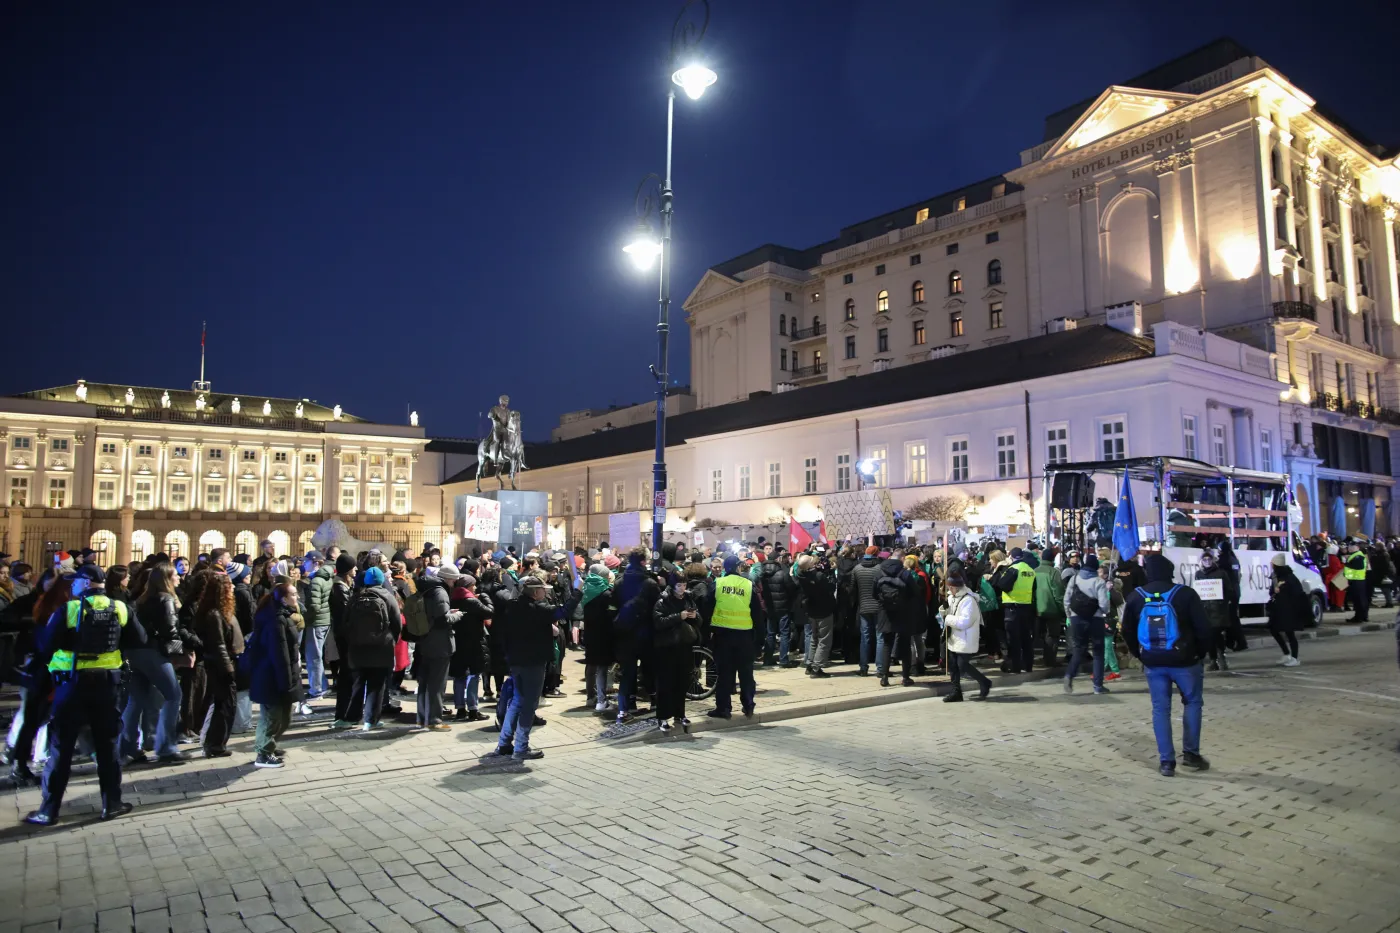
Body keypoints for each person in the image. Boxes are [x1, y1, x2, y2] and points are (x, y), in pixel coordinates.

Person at [24, 564, 145, 825]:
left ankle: (49, 810)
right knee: (107, 746)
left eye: (75, 582)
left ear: (84, 583)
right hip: (107, 686)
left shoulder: (70, 610)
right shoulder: (120, 608)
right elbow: (139, 639)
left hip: (73, 685)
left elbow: (46, 645)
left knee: (61, 748)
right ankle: (111, 804)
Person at [1122, 553, 1212, 777]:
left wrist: (1141, 654)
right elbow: (1204, 628)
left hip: (1153, 661)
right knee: (1192, 703)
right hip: (1185, 660)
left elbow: (1126, 631)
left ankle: (1166, 762)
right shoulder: (1185, 594)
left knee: (1160, 709)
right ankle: (1191, 754)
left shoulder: (1136, 596)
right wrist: (1199, 654)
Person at [121, 561, 191, 764]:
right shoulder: (166, 599)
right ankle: (166, 747)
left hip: (133, 653)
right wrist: (179, 654)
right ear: (167, 579)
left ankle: (127, 748)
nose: (178, 577)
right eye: (174, 575)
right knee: (173, 695)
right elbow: (171, 630)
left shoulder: (141, 599)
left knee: (135, 701)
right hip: (154, 653)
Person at [492, 576, 558, 760]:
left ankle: (504, 743)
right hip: (533, 661)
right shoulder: (537, 608)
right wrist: (578, 591)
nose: (546, 592)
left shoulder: (512, 606)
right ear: (536, 592)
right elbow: (563, 612)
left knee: (517, 701)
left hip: (516, 660)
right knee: (529, 703)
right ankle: (521, 747)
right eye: (543, 589)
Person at [247, 582, 303, 768]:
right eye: (294, 594)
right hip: (272, 675)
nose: (298, 597)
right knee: (272, 717)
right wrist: (286, 682)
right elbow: (279, 654)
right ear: (284, 598)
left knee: (284, 717)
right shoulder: (276, 620)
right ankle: (263, 753)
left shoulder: (283, 616)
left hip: (281, 674)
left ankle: (267, 746)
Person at [704, 554, 763, 719]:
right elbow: (758, 615)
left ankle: (723, 708)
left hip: (723, 636)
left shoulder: (718, 584)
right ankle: (748, 705)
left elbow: (707, 608)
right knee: (746, 674)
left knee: (724, 674)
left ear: (724, 569)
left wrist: (706, 632)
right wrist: (760, 640)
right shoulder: (749, 585)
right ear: (737, 567)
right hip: (745, 636)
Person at [344, 566, 402, 732]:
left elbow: (345, 622)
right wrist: (391, 640)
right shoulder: (388, 597)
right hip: (381, 647)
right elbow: (397, 624)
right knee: (377, 685)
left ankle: (353, 717)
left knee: (358, 683)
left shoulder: (356, 597)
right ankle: (371, 720)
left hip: (357, 648)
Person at [195, 572, 242, 758]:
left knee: (226, 704)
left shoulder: (219, 612)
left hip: (223, 662)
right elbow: (219, 645)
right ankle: (215, 744)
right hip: (220, 665)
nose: (232, 588)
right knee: (225, 704)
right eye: (229, 585)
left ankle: (216, 743)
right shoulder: (214, 614)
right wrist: (228, 669)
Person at [610, 548, 659, 724]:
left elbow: (613, 605)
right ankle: (654, 701)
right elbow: (657, 609)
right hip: (645, 632)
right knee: (650, 668)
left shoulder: (619, 581)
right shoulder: (650, 583)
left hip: (624, 633)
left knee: (627, 671)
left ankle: (626, 706)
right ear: (643, 562)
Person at [412, 562, 461, 731]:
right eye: (453, 580)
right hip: (439, 642)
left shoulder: (427, 588)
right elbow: (443, 620)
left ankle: (421, 717)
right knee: (437, 683)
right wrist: (457, 615)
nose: (454, 584)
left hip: (425, 639)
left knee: (424, 682)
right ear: (447, 579)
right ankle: (434, 720)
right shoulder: (440, 592)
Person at [651, 575, 699, 732]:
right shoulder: (663, 600)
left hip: (684, 646)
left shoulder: (689, 599)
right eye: (679, 585)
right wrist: (679, 616)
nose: (682, 589)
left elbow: (699, 621)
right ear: (672, 586)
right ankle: (663, 717)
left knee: (682, 681)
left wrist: (695, 616)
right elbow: (658, 622)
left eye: (684, 585)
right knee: (666, 684)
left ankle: (680, 714)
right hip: (667, 647)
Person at [1062, 554, 1111, 695]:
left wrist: (1070, 615)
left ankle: (1069, 675)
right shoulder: (1099, 581)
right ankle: (1098, 686)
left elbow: (1067, 599)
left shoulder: (1074, 578)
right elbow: (1104, 606)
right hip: (1095, 620)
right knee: (1098, 652)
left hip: (1076, 618)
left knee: (1078, 649)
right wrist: (1102, 612)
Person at [941, 568, 991, 702]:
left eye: (950, 587)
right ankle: (956, 692)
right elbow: (947, 613)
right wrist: (943, 610)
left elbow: (965, 621)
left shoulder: (969, 600)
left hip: (965, 638)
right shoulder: (953, 597)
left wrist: (948, 619)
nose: (949, 590)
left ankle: (984, 681)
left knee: (963, 665)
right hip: (954, 637)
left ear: (956, 587)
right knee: (953, 665)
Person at [449, 573, 492, 721]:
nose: (475, 587)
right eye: (473, 585)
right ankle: (473, 709)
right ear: (469, 586)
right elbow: (489, 612)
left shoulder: (452, 599)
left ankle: (460, 709)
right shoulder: (472, 601)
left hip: (458, 641)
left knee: (459, 676)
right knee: (474, 675)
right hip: (474, 642)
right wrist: (485, 598)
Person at [991, 547, 1038, 674]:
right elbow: (1034, 588)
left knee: (1014, 640)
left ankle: (1016, 667)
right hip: (1026, 608)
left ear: (1011, 557)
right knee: (1026, 639)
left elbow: (1002, 585)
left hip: (1013, 608)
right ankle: (1028, 666)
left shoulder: (1013, 569)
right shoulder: (1030, 570)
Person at [327, 553, 360, 728]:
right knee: (347, 677)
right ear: (348, 570)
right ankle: (343, 716)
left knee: (349, 676)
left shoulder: (344, 585)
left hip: (345, 636)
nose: (356, 569)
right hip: (345, 638)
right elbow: (347, 614)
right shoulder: (339, 588)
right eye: (353, 567)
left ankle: (346, 714)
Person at [582, 563, 616, 711]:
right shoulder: (606, 594)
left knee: (591, 665)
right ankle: (601, 701)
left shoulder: (586, 589)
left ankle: (591, 697)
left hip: (590, 633)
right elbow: (612, 614)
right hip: (604, 635)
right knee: (602, 667)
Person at [797, 554, 837, 677]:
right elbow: (831, 586)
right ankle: (817, 667)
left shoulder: (801, 575)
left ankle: (809, 663)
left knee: (814, 638)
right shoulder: (819, 576)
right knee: (824, 640)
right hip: (823, 609)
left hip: (812, 610)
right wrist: (831, 572)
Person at [757, 550, 798, 668]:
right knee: (784, 633)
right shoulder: (782, 573)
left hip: (770, 607)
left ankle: (768, 659)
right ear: (777, 560)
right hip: (783, 607)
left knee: (770, 633)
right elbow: (791, 588)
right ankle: (783, 659)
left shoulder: (762, 574)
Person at [301, 551, 332, 703]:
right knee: (317, 655)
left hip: (316, 622)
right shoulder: (327, 577)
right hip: (324, 620)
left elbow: (314, 606)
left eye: (306, 562)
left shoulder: (316, 581)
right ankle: (322, 686)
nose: (304, 564)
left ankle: (316, 689)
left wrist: (305, 619)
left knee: (313, 656)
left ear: (315, 563)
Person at [1195, 551, 1233, 671]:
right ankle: (1214, 660)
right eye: (1205, 559)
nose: (1207, 562)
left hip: (1218, 609)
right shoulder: (1199, 574)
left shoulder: (1221, 573)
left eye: (1209, 559)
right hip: (1205, 609)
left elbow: (1229, 590)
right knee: (1209, 635)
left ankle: (1221, 657)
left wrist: (1223, 602)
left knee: (1217, 634)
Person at [1267, 553, 1307, 666]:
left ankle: (1294, 658)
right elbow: (1272, 591)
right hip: (1278, 608)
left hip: (1289, 609)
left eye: (1272, 563)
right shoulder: (1276, 576)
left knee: (1290, 633)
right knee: (1273, 629)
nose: (1271, 565)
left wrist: (1282, 591)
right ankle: (1286, 654)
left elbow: (1296, 592)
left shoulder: (1289, 577)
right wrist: (1274, 591)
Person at [851, 546, 883, 676]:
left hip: (863, 607)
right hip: (878, 607)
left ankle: (863, 667)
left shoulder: (857, 568)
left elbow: (852, 589)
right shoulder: (880, 569)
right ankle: (880, 669)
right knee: (880, 638)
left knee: (865, 638)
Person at [1033, 546, 1066, 668]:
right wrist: (1063, 609)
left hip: (1037, 609)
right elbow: (1058, 594)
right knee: (1052, 635)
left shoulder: (1034, 571)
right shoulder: (1054, 573)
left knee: (1038, 635)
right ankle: (1050, 660)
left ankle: (1037, 659)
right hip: (1052, 610)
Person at [1343, 540, 1370, 623]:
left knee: (1359, 600)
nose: (1350, 548)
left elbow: (1358, 566)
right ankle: (1360, 616)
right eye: (1349, 547)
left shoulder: (1358, 556)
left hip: (1357, 581)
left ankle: (1360, 617)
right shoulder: (1354, 555)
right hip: (1355, 580)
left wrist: (1346, 563)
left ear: (1357, 547)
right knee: (1357, 600)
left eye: (1352, 547)